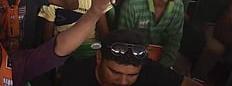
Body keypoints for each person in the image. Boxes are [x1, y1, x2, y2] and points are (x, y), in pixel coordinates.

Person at [60, 29, 201, 86]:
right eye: (115, 72)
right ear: (99, 58)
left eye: (132, 75)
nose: (123, 82)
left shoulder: (149, 69)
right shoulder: (75, 77)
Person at [118, 0, 190, 67]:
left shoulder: (178, 7)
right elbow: (124, 41)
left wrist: (162, 67)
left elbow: (173, 42)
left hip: (160, 57)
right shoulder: (132, 5)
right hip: (134, 58)